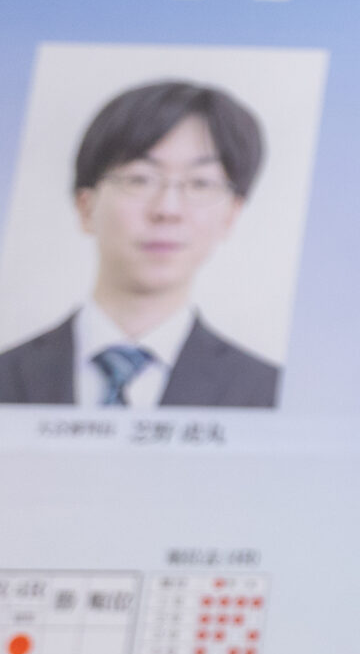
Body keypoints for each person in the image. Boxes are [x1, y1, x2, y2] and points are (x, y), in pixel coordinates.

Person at [0, 80, 280, 408]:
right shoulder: (8, 373)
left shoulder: (268, 392)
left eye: (200, 183)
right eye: (140, 179)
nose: (167, 210)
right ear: (86, 206)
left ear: (231, 215)